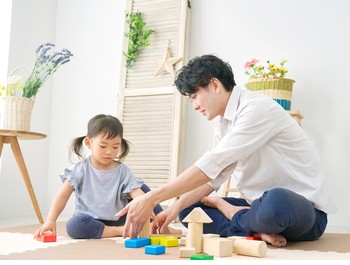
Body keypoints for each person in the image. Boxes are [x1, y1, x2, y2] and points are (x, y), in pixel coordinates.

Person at [116, 54, 334, 247]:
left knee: (276, 202)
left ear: (214, 85)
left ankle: (239, 219)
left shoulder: (257, 109)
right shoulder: (223, 123)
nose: (194, 105)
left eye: (194, 96)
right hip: (254, 207)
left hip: (303, 212)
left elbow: (211, 164)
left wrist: (151, 198)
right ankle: (255, 229)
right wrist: (174, 208)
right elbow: (214, 177)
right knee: (190, 211)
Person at [34, 114, 180, 239]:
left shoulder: (122, 170)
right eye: (103, 146)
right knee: (73, 225)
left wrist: (147, 208)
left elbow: (137, 195)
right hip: (90, 220)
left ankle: (160, 225)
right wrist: (50, 220)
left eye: (115, 147)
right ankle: (120, 232)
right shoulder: (80, 169)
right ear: (88, 143)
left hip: (120, 218)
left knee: (142, 188)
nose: (109, 152)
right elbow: (62, 196)